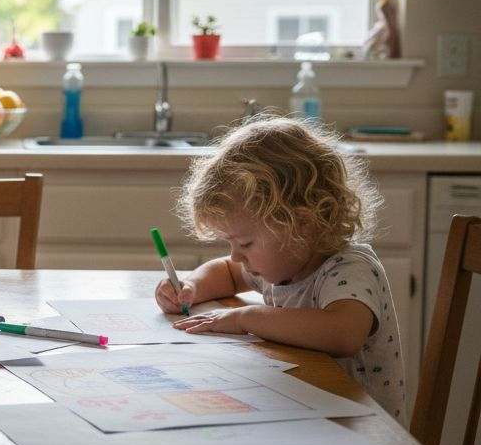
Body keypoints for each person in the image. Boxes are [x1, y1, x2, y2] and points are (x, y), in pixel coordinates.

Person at [155, 115, 407, 424]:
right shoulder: (283, 263)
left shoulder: (348, 267)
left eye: (245, 244)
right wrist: (191, 286)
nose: (236, 256)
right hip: (309, 413)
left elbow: (343, 334)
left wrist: (245, 317)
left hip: (368, 434)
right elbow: (227, 272)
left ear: (300, 225)